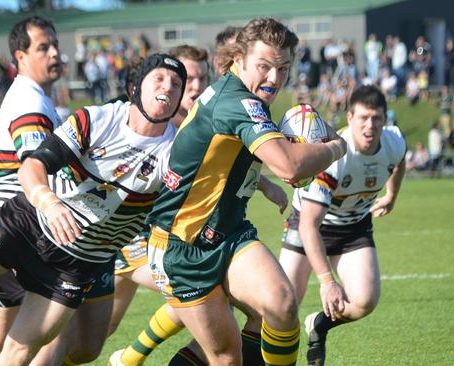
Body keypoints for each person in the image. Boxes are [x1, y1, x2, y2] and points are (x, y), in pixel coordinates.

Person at [0, 53, 187, 365]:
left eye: (176, 84)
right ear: (134, 87)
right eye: (159, 78)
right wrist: (49, 203)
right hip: (28, 223)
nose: (168, 87)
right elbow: (32, 165)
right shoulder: (96, 119)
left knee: (21, 350)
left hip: (76, 262)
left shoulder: (176, 152)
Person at [140, 18, 346, 365]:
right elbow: (289, 167)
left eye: (283, 68)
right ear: (239, 59)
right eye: (264, 66)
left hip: (228, 232)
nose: (274, 78)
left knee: (279, 305)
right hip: (182, 247)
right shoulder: (238, 102)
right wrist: (336, 147)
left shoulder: (245, 95)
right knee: (224, 357)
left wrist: (268, 180)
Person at [109, 44, 289, 366]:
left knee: (246, 312)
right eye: (186, 79)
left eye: (200, 78)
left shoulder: (205, 117)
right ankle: (128, 358)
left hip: (176, 237)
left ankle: (129, 359)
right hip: (138, 238)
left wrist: (264, 184)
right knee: (90, 337)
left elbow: (219, 164)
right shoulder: (157, 124)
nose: (193, 86)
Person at [278, 85, 407, 366]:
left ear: (385, 119)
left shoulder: (395, 141)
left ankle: (319, 325)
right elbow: (310, 226)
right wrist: (326, 282)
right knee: (283, 307)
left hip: (354, 227)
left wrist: (391, 196)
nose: (370, 125)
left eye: (376, 118)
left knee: (364, 301)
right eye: (363, 118)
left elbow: (400, 162)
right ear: (349, 117)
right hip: (308, 224)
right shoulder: (334, 158)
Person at [0, 16, 66, 366]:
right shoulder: (30, 102)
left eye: (55, 45)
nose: (54, 53)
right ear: (20, 56)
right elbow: (32, 167)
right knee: (46, 335)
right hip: (14, 233)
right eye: (43, 47)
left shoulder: (31, 96)